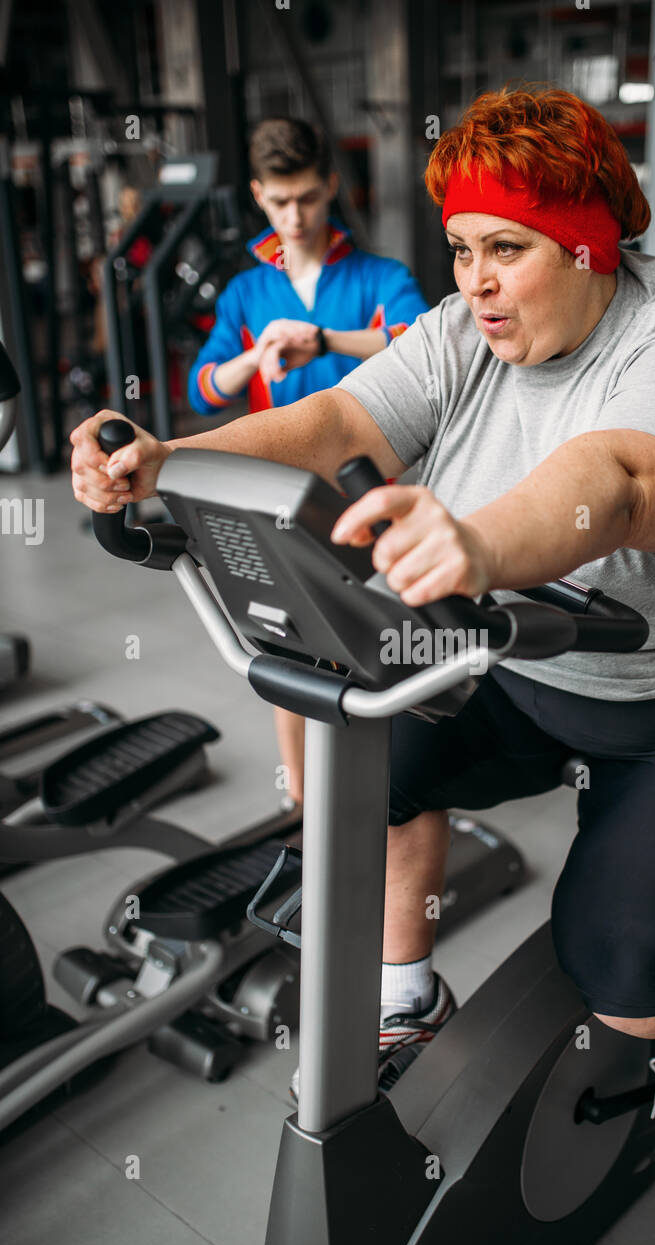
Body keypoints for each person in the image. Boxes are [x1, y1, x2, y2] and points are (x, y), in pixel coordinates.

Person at [70, 85, 655, 1192]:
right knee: (365, 760)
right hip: (535, 657)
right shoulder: (464, 335)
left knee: (631, 959)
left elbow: (627, 482)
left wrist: (478, 540)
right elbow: (341, 422)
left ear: (590, 246)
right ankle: (408, 995)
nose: (476, 280)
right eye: (460, 249)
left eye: (506, 248)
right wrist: (170, 459)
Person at [187, 118, 429, 816]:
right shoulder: (243, 295)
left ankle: (380, 789)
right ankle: (301, 795)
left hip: (358, 502)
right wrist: (251, 356)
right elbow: (203, 387)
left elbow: (416, 344)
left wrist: (322, 338)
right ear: (259, 196)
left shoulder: (379, 276)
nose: (294, 218)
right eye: (278, 202)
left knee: (361, 650)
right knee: (284, 646)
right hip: (271, 501)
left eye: (307, 199)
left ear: (329, 187)